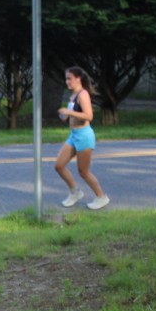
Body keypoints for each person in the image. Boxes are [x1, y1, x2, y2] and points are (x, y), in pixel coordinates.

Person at [54, 66, 110, 210]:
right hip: (73, 135)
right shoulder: (73, 96)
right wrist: (65, 115)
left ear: (78, 78)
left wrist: (69, 113)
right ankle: (75, 193)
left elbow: (89, 116)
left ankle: (101, 197)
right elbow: (72, 114)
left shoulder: (83, 94)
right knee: (59, 166)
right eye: (66, 79)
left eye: (70, 78)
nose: (67, 81)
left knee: (83, 171)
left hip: (84, 136)